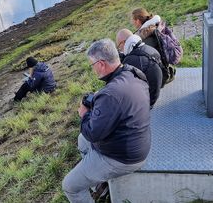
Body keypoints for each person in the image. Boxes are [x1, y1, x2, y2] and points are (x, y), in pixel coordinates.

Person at [62, 39, 151, 203]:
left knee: (70, 186)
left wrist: (84, 114)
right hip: (136, 143)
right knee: (82, 140)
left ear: (101, 64)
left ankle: (94, 180)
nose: (93, 69)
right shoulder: (134, 73)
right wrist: (99, 102)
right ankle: (100, 184)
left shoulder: (110, 94)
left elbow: (93, 133)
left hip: (123, 158)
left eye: (92, 64)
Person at [116, 29, 163, 107]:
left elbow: (124, 87)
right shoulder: (148, 48)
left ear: (124, 42)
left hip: (146, 102)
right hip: (155, 93)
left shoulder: (130, 61)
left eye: (119, 46)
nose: (120, 49)